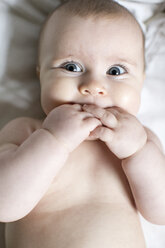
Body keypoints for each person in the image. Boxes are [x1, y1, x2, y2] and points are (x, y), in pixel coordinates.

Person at [0, 0, 165, 247]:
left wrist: (138, 152)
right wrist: (53, 139)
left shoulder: (142, 140)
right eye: (71, 67)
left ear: (140, 80)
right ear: (41, 74)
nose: (94, 86)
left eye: (116, 71)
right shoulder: (27, 131)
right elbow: (5, 205)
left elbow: (161, 213)